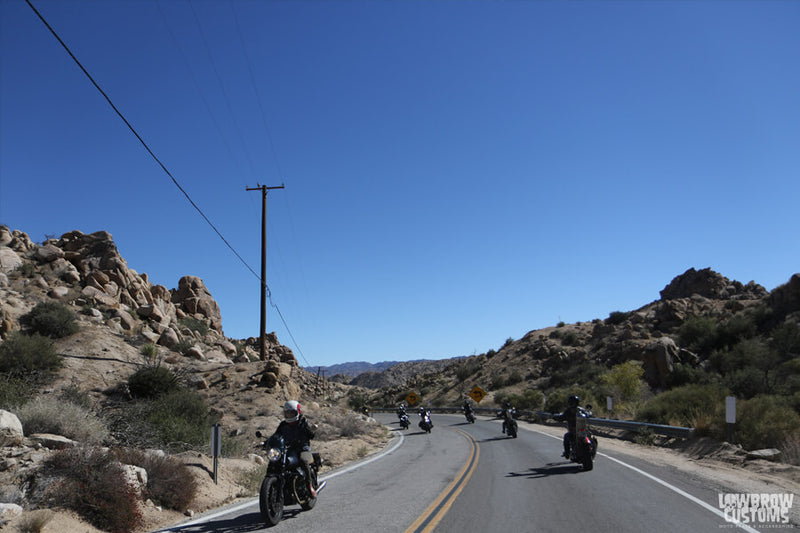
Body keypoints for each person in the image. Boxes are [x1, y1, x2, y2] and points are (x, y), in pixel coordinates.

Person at [272, 400, 317, 497]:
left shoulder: (303, 422)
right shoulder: (283, 425)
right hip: (288, 449)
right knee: (276, 462)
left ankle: (309, 486)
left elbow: (310, 433)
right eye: (287, 413)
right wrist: (267, 442)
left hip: (302, 448)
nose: (289, 415)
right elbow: (276, 436)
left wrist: (311, 431)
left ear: (298, 412)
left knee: (303, 460)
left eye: (292, 412)